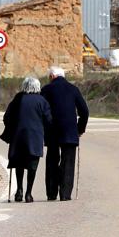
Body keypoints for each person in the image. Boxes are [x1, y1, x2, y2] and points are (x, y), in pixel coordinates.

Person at [0, 75, 52, 202]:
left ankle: (19, 191)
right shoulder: (41, 100)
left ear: (24, 86)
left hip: (18, 137)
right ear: (37, 87)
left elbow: (7, 117)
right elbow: (48, 120)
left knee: (19, 165)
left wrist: (11, 128)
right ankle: (28, 193)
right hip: (34, 138)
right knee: (32, 166)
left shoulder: (18, 98)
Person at [40, 65, 89, 201]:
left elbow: (41, 110)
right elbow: (84, 111)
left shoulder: (46, 89)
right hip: (70, 131)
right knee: (68, 163)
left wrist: (42, 127)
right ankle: (65, 194)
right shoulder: (73, 89)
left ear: (51, 76)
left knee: (52, 161)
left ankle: (51, 193)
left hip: (52, 130)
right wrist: (80, 129)